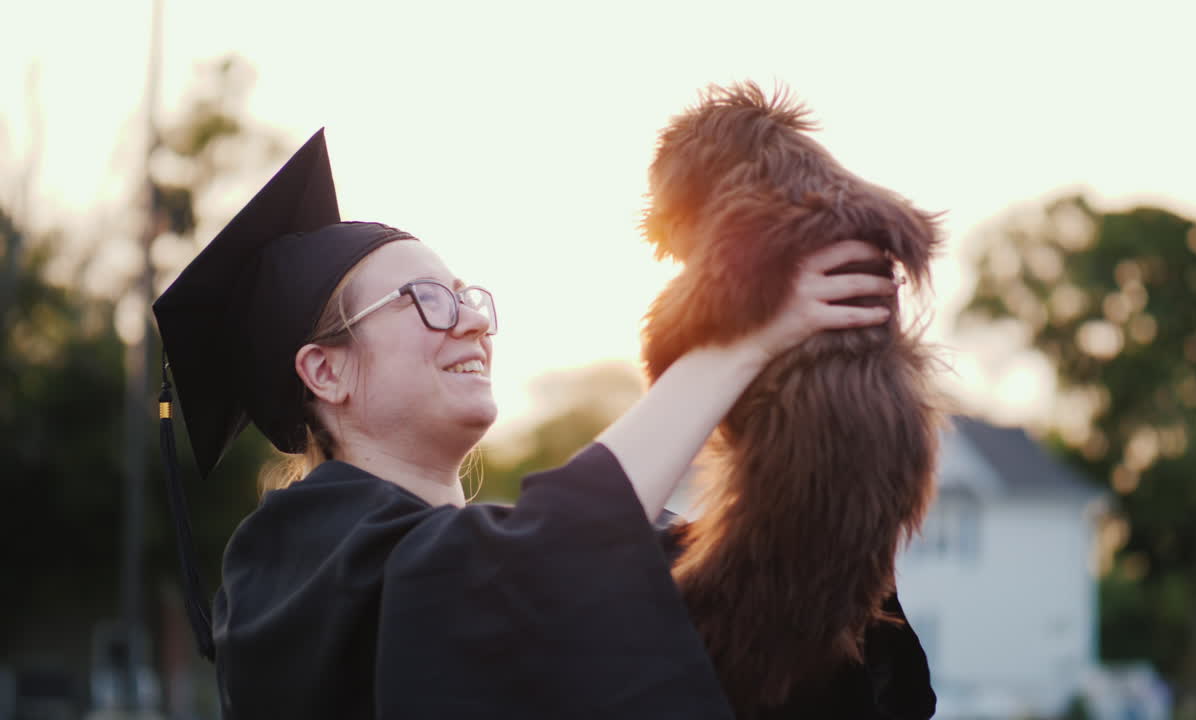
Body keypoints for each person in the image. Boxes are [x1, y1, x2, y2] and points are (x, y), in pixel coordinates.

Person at [152, 129, 919, 719]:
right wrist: (736, 338)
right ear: (326, 371)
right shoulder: (292, 575)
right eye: (427, 301)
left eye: (470, 298)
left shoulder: (509, 553)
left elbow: (773, 624)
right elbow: (530, 579)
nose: (472, 326)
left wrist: (838, 395)